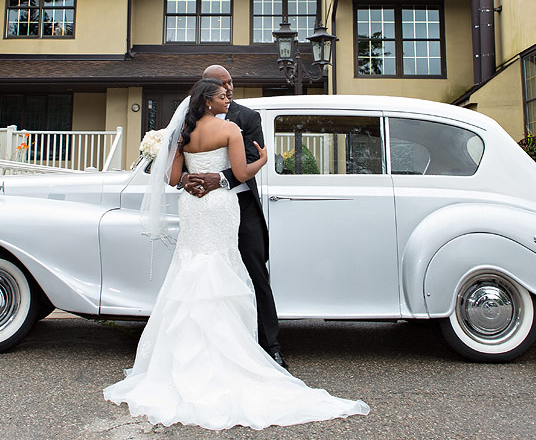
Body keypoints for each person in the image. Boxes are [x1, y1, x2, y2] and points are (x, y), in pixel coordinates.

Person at [104, 79, 368, 430]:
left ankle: (181, 357)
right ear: (209, 101)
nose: (229, 98)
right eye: (223, 95)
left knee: (191, 266)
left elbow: (171, 178)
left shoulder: (182, 132)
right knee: (223, 264)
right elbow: (242, 174)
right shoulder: (229, 129)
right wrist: (262, 160)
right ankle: (231, 350)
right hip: (222, 206)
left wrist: (190, 181)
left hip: (193, 206)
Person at [183, 65, 284, 367]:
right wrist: (184, 180)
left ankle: (271, 345)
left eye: (230, 82)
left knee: (255, 273)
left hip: (241, 206)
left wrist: (220, 179)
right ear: (207, 88)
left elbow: (251, 159)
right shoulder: (189, 121)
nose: (228, 88)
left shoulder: (247, 117)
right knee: (206, 271)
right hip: (204, 209)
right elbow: (179, 164)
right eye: (221, 83)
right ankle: (205, 344)